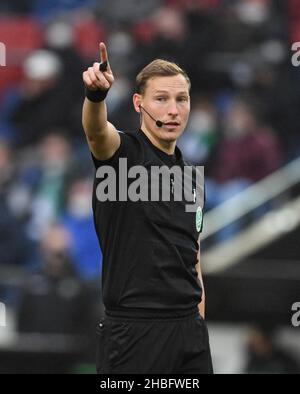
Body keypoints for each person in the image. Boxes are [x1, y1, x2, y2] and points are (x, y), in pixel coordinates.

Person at [82, 42, 213, 374]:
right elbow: (97, 132)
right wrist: (96, 97)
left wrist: (198, 319)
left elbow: (192, 254)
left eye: (181, 99)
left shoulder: (191, 176)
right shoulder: (122, 156)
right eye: (161, 99)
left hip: (189, 334)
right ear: (139, 103)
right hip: (134, 334)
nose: (173, 110)